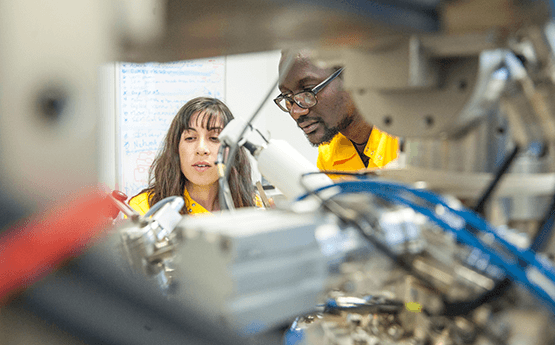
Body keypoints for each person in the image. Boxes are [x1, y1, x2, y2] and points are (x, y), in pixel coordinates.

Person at [275, 50, 399, 173]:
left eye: (308, 91)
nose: (296, 112)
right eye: (288, 98)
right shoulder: (329, 155)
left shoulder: (406, 139)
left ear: (353, 76)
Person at [129, 97, 256, 216]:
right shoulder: (145, 209)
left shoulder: (252, 204)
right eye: (190, 138)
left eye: (214, 138)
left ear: (232, 149)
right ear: (176, 148)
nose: (201, 149)